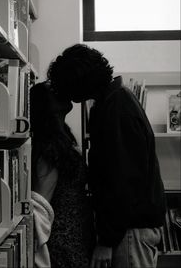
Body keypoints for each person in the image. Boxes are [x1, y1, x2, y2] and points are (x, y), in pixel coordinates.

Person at [47, 44, 166, 268]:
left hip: (129, 231)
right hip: (128, 229)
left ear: (79, 82)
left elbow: (124, 181)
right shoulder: (115, 100)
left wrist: (107, 241)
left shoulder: (116, 108)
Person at [30, 81, 96, 268]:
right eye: (54, 92)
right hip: (62, 240)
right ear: (47, 104)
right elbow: (41, 204)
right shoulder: (48, 147)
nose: (63, 93)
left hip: (76, 233)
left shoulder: (61, 137)